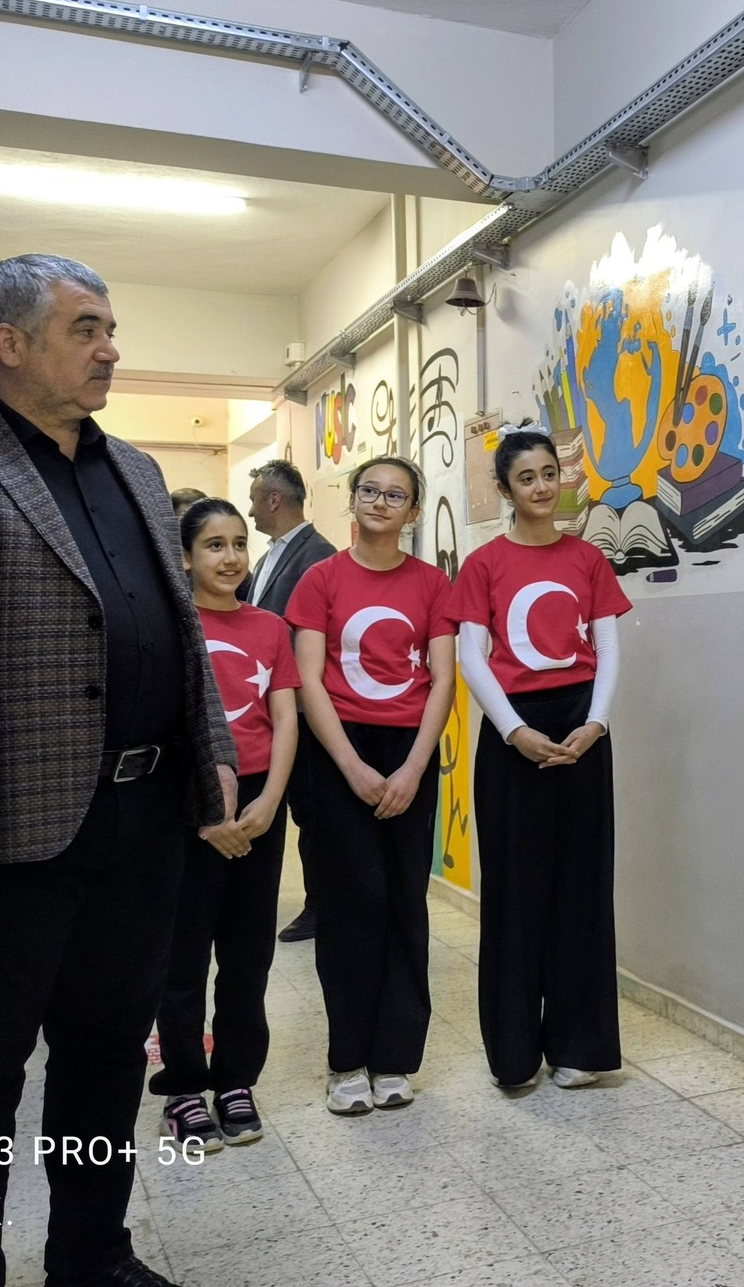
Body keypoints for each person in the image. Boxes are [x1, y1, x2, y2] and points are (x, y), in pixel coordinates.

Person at [0, 254, 238, 1287]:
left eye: (109, 328)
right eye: (86, 329)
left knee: (106, 1055)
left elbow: (177, 628)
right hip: (9, 825)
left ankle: (92, 1255)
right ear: (10, 343)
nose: (111, 349)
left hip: (144, 820)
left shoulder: (134, 467)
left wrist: (212, 749)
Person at [449, 429, 631, 1090]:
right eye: (526, 477)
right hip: (513, 736)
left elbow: (607, 649)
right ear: (505, 489)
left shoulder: (588, 558)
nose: (542, 486)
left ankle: (580, 1047)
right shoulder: (483, 564)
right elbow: (472, 657)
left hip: (582, 731)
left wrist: (596, 724)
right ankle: (515, 1054)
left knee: (583, 889)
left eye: (549, 473)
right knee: (515, 895)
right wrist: (513, 731)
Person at [286, 457, 454, 1114]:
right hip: (338, 752)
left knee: (405, 904)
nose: (381, 502)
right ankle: (347, 1061)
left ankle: (395, 1059)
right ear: (353, 500)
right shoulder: (320, 580)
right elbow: (308, 679)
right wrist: (351, 766)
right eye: (370, 491)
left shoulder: (433, 584)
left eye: (396, 495)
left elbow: (443, 680)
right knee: (351, 906)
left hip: (410, 752)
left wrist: (413, 768)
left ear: (413, 511)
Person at [152, 498, 299, 1151]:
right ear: (185, 556)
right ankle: (183, 1088)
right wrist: (208, 816)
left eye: (239, 543)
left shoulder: (269, 627)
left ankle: (237, 1080)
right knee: (183, 958)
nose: (232, 557)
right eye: (214, 545)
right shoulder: (170, 626)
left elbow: (285, 718)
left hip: (261, 803)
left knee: (247, 956)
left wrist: (268, 805)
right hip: (188, 805)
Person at [240, 457, 336, 944]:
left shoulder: (317, 556)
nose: (250, 510)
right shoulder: (268, 557)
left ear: (274, 499)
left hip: (304, 709)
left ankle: (322, 905)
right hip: (274, 708)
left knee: (313, 812)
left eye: (254, 500)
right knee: (298, 810)